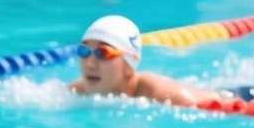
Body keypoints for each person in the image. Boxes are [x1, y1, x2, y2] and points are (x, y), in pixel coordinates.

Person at [69, 15, 234, 106]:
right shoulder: (77, 90)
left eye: (103, 53)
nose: (90, 63)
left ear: (129, 64)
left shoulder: (168, 96)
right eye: (83, 51)